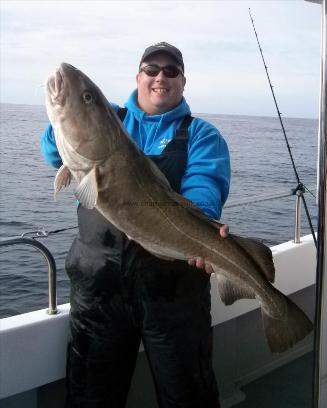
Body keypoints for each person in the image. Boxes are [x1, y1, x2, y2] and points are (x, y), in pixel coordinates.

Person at [41, 42, 230, 408]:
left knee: (187, 398)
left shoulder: (202, 135)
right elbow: (53, 151)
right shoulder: (112, 116)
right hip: (99, 294)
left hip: (174, 292)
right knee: (90, 399)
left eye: (171, 71)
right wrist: (65, 114)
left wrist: (202, 231)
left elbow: (205, 188)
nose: (161, 77)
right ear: (138, 77)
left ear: (183, 81)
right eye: (152, 69)